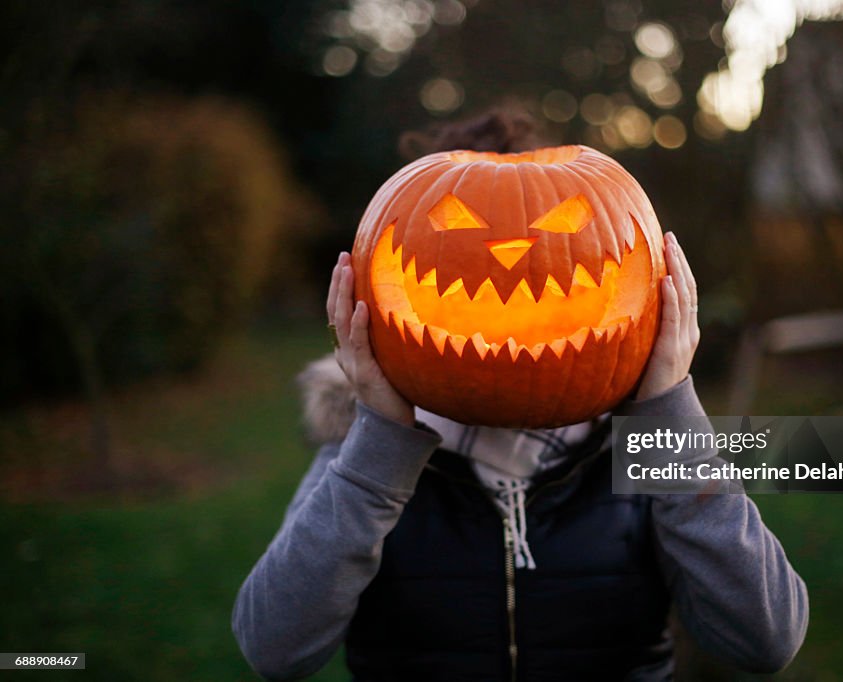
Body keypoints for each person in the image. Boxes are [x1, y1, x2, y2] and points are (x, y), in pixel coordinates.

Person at [232, 112, 809, 681]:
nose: (509, 250)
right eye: (455, 223)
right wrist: (381, 438)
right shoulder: (361, 463)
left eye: (559, 220)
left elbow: (766, 640)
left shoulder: (647, 458)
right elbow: (274, 650)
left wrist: (666, 415)